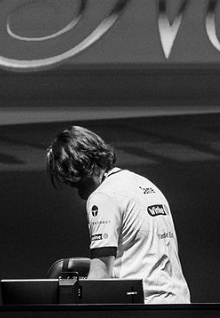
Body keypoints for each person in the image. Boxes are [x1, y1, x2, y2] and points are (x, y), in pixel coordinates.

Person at [46, 126, 190, 304]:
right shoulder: (144, 183)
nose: (71, 184)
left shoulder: (103, 196)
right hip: (179, 303)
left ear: (80, 164)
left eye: (70, 176)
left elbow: (100, 275)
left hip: (146, 308)